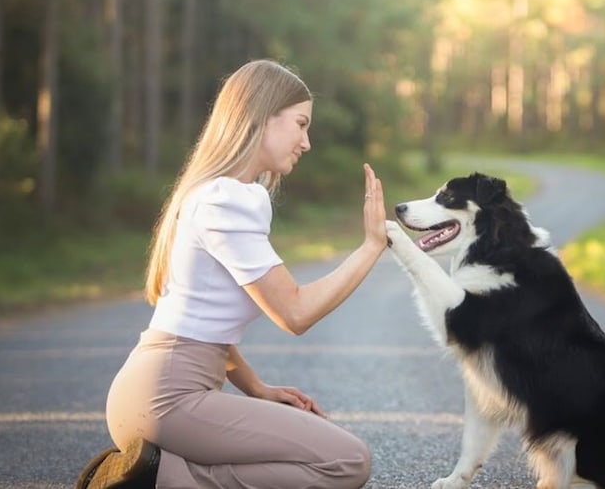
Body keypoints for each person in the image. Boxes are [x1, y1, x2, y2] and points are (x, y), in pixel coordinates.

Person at [75, 59, 388, 489]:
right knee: (347, 460)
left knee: (334, 457)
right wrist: (371, 248)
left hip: (156, 392)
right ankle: (158, 479)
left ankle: (152, 474)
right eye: (300, 124)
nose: (307, 142)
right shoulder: (229, 200)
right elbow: (294, 313)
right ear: (261, 117)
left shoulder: (211, 194)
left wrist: (256, 386)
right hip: (168, 397)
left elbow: (202, 320)